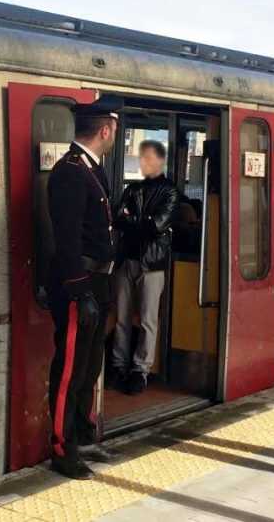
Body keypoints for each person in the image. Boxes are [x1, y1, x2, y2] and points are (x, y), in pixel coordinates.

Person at [46, 95, 122, 480]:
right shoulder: (71, 171)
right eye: (115, 128)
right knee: (70, 369)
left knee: (91, 365)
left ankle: (82, 432)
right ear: (106, 129)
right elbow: (67, 239)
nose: (114, 134)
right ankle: (63, 449)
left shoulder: (91, 169)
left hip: (100, 280)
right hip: (82, 284)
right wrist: (79, 291)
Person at [110, 140, 178, 394]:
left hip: (153, 264)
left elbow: (156, 225)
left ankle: (141, 370)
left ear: (160, 161)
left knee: (149, 319)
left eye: (149, 159)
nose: (143, 163)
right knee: (121, 317)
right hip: (127, 260)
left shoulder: (170, 192)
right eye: (142, 158)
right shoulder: (133, 188)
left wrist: (133, 221)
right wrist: (137, 221)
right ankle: (118, 365)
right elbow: (117, 218)